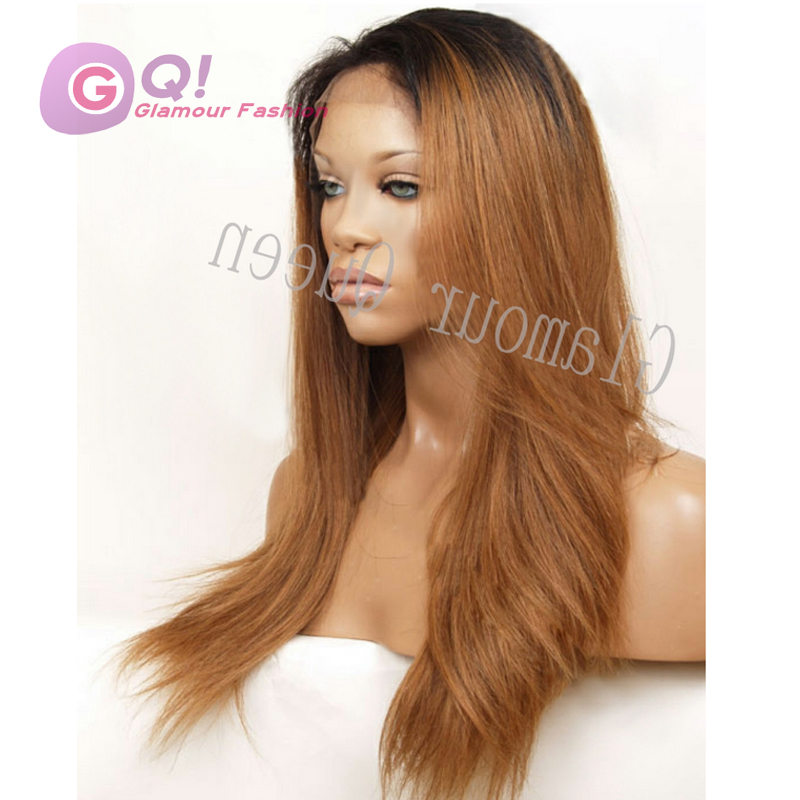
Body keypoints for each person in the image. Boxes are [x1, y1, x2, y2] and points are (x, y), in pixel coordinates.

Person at [111, 8, 705, 800]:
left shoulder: (673, 521)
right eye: (329, 185)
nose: (344, 227)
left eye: (401, 186)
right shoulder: (310, 497)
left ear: (519, 206)